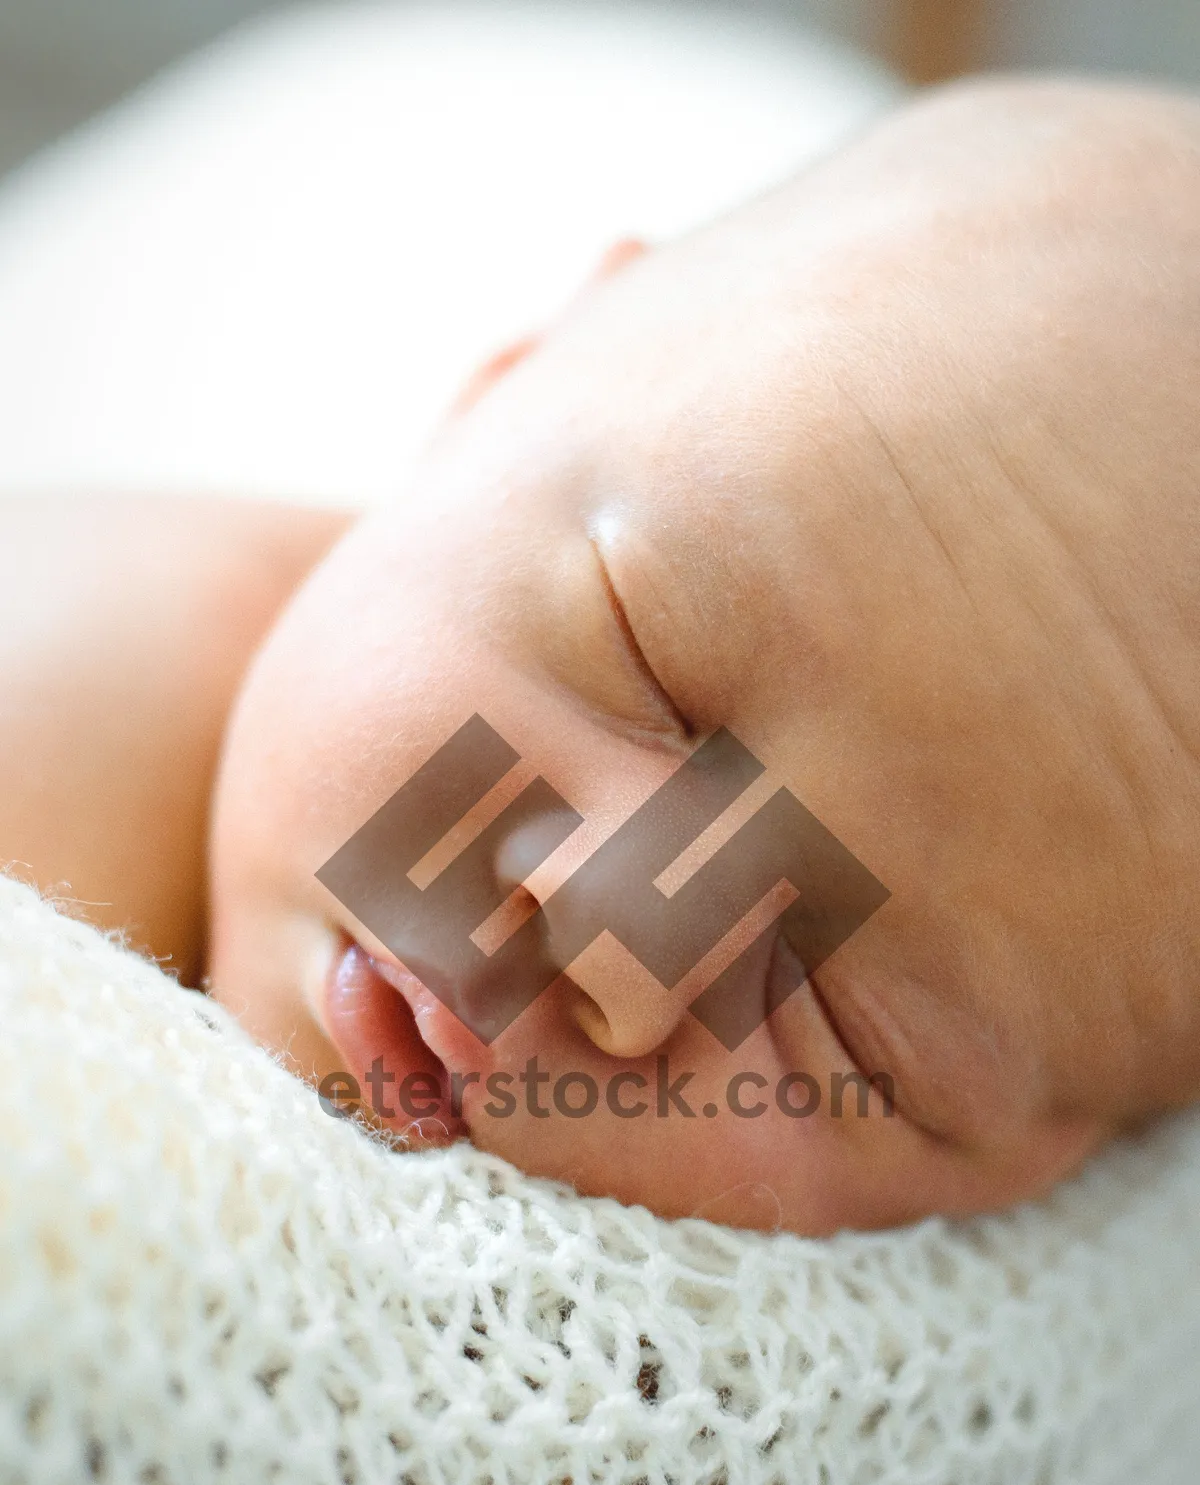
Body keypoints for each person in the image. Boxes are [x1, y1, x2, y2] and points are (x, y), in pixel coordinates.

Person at [5, 76, 1200, 1234]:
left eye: (862, 1031)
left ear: (1034, 1182)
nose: (612, 940)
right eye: (645, 655)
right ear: (503, 382)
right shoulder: (77, 686)